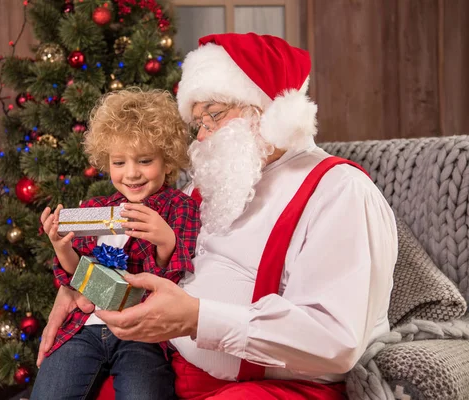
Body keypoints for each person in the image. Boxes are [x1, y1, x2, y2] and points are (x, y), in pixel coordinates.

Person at [38, 32, 398, 400]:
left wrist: (197, 318)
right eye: (199, 123)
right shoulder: (214, 182)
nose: (204, 137)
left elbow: (336, 339)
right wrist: (74, 285)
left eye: (213, 116)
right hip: (165, 362)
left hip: (269, 387)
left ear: (266, 111)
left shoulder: (339, 191)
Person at [31, 88, 201, 400]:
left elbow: (173, 280)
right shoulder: (96, 209)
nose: (132, 173)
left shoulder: (179, 207)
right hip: (84, 328)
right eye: (119, 162)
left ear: (167, 161)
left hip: (143, 333)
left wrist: (166, 240)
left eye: (145, 160)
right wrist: (60, 245)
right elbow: (77, 278)